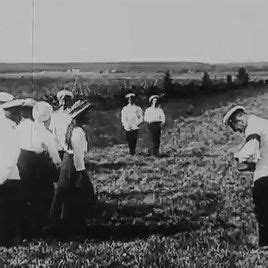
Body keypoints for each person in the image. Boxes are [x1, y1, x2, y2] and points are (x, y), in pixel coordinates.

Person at [223, 105, 268, 247]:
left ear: (239, 119)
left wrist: (239, 157)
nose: (239, 131)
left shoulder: (252, 126)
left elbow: (251, 146)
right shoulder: (263, 122)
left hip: (265, 176)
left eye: (236, 127)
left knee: (263, 212)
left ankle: (264, 247)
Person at [16, 101, 61, 237]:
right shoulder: (47, 134)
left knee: (25, 195)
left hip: (22, 163)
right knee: (43, 195)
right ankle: (40, 226)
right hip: (39, 166)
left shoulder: (21, 127)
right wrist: (59, 165)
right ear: (48, 117)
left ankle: (26, 227)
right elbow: (55, 156)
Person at [50, 100, 95, 234]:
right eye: (86, 113)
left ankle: (65, 224)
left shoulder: (71, 128)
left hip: (67, 163)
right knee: (76, 194)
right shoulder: (78, 131)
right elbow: (78, 155)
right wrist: (81, 173)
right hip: (74, 165)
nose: (89, 116)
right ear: (80, 116)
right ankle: (72, 226)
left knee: (66, 194)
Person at [0, 98, 22, 246]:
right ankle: (8, 239)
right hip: (8, 176)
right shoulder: (12, 130)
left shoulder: (5, 127)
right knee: (9, 210)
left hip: (5, 174)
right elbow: (12, 156)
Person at [50, 90, 74, 160]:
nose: (64, 103)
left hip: (68, 148)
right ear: (59, 101)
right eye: (62, 101)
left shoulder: (72, 116)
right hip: (57, 147)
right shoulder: (54, 115)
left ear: (70, 102)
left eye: (67, 101)